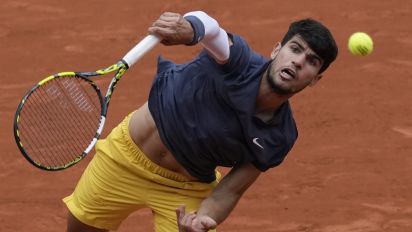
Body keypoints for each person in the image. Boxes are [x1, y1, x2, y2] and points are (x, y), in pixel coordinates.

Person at [64, 10, 338, 232]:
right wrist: (190, 28)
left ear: (315, 79)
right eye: (295, 48)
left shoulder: (279, 137)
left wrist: (201, 220)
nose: (299, 61)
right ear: (277, 50)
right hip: (123, 160)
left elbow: (229, 191)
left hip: (186, 189)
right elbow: (211, 28)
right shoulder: (237, 61)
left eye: (311, 61)